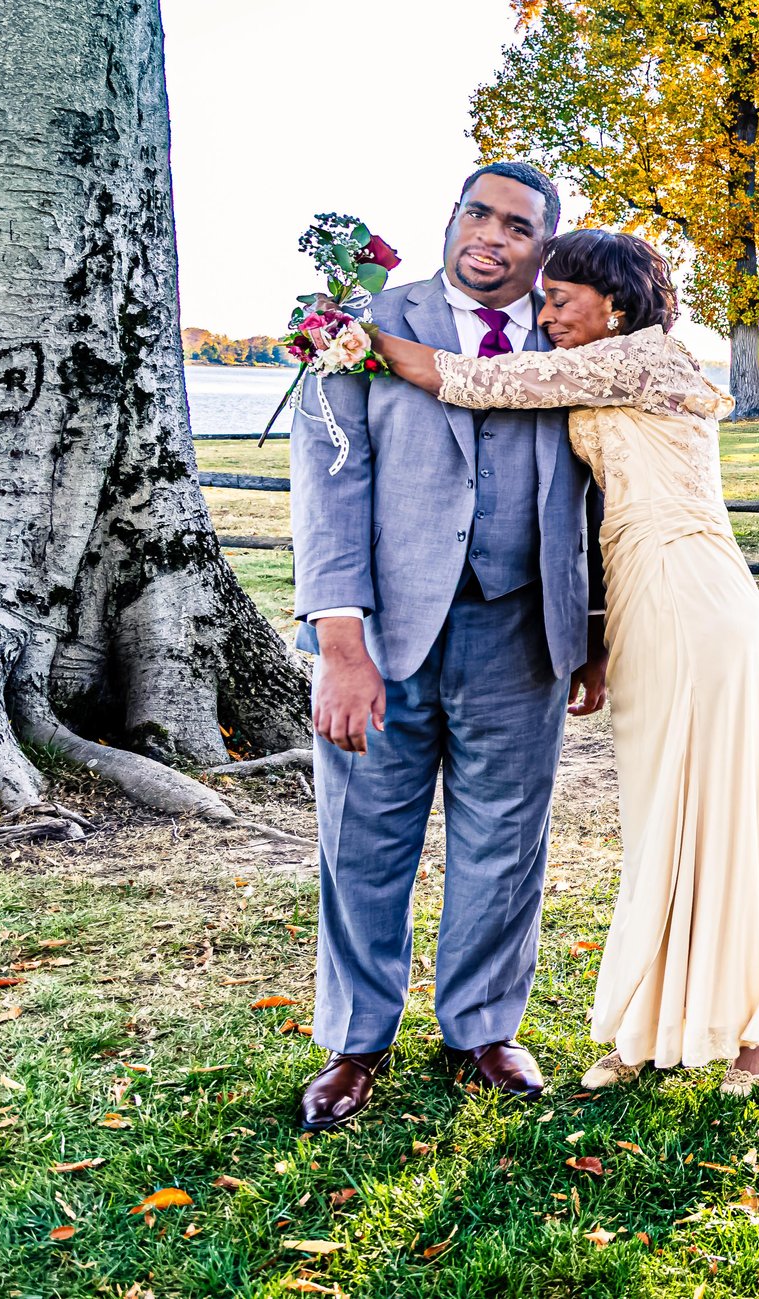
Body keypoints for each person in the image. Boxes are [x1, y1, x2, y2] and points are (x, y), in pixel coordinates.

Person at [372, 229, 759, 1099]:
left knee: (711, 806)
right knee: (659, 815)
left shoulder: (633, 356)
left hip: (688, 588)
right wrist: (597, 636)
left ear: (617, 304)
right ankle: (651, 1024)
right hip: (645, 593)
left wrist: (344, 332)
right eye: (547, 301)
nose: (548, 315)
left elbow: (474, 380)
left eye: (561, 301)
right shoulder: (616, 358)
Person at [292, 162, 606, 1133]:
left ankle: (482, 1025)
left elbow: (600, 494)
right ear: (452, 218)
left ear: (542, 247)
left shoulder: (573, 342)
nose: (492, 236)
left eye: (518, 226)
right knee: (364, 837)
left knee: (506, 838)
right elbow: (329, 484)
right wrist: (339, 642)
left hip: (523, 629)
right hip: (385, 632)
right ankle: (355, 1040)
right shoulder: (360, 324)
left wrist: (591, 630)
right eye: (477, 212)